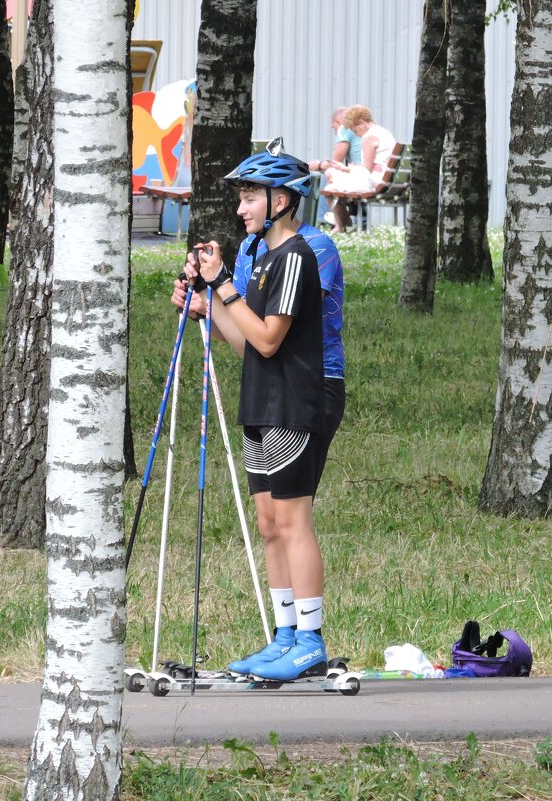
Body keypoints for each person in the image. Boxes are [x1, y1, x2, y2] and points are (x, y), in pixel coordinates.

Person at [172, 141, 334, 682]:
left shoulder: (295, 258)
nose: (241, 209)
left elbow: (268, 341)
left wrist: (222, 285)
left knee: (292, 520)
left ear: (282, 200)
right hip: (261, 401)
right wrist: (206, 303)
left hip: (294, 402)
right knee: (268, 524)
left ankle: (310, 639)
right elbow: (244, 344)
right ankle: (283, 634)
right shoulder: (261, 262)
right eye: (241, 198)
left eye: (249, 198)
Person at [321, 104, 396, 232]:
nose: (357, 134)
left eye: (355, 130)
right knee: (335, 177)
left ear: (361, 122)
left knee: (330, 181)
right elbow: (372, 165)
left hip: (374, 182)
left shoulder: (368, 137)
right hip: (386, 179)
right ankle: (343, 222)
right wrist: (346, 169)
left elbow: (366, 170)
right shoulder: (384, 132)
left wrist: (346, 170)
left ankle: (340, 225)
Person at [307, 107, 363, 174]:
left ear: (337, 121)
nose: (332, 126)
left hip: (362, 176)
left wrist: (318, 165)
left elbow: (335, 165)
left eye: (332, 123)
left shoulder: (344, 128)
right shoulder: (365, 129)